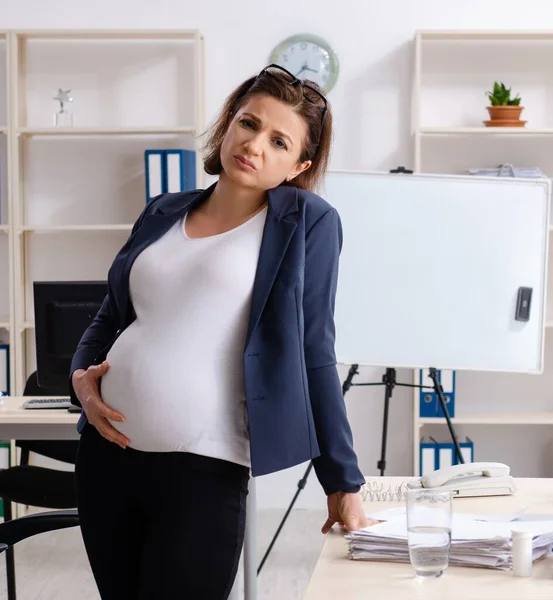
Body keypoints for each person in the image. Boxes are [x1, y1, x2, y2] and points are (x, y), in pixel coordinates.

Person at [69, 64, 372, 600]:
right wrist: (81, 381)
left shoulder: (307, 223)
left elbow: (314, 351)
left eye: (279, 141)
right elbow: (109, 315)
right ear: (229, 123)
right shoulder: (163, 210)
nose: (255, 144)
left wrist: (342, 482)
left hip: (204, 469)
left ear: (298, 164)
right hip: (105, 460)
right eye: (249, 123)